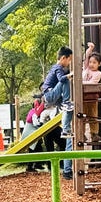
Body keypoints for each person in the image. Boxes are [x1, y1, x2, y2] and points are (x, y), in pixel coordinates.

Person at [42, 46, 75, 178]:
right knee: (65, 80)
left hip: (52, 97)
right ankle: (67, 103)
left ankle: (65, 104)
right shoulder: (58, 68)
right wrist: (69, 75)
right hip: (49, 94)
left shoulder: (57, 68)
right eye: (69, 60)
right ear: (63, 58)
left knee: (66, 81)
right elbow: (62, 79)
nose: (69, 63)